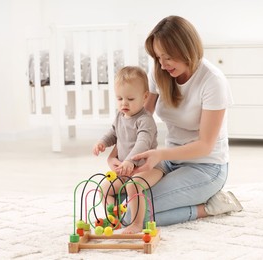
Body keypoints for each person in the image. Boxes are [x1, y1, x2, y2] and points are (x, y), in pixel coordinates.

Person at [107, 15, 243, 227]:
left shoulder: (212, 81)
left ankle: (209, 206)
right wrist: (115, 155)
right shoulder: (159, 72)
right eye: (158, 57)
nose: (162, 64)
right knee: (117, 201)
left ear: (185, 49)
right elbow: (139, 119)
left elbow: (205, 145)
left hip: (206, 167)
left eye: (168, 56)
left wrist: (160, 154)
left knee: (130, 216)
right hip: (169, 162)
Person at [92, 66, 163, 234]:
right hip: (126, 169)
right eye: (119, 98)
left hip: (148, 168)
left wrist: (130, 160)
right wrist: (102, 142)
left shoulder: (145, 120)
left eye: (130, 99)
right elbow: (113, 133)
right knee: (104, 189)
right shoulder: (119, 116)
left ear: (145, 97)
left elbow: (143, 142)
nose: (124, 103)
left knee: (133, 185)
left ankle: (136, 223)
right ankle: (113, 216)